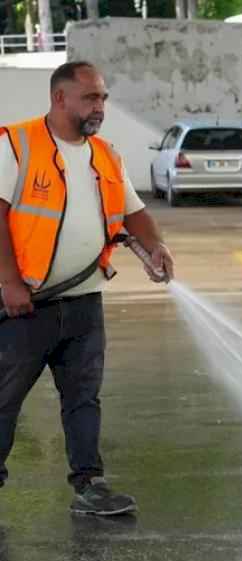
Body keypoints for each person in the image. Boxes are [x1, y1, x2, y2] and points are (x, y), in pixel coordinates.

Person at [0, 61, 174, 516]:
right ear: (60, 99)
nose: (100, 107)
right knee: (4, 399)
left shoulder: (105, 155)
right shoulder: (17, 145)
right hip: (26, 305)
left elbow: (134, 213)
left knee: (83, 398)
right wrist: (9, 281)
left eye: (103, 98)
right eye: (90, 98)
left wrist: (155, 246)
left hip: (83, 302)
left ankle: (89, 484)